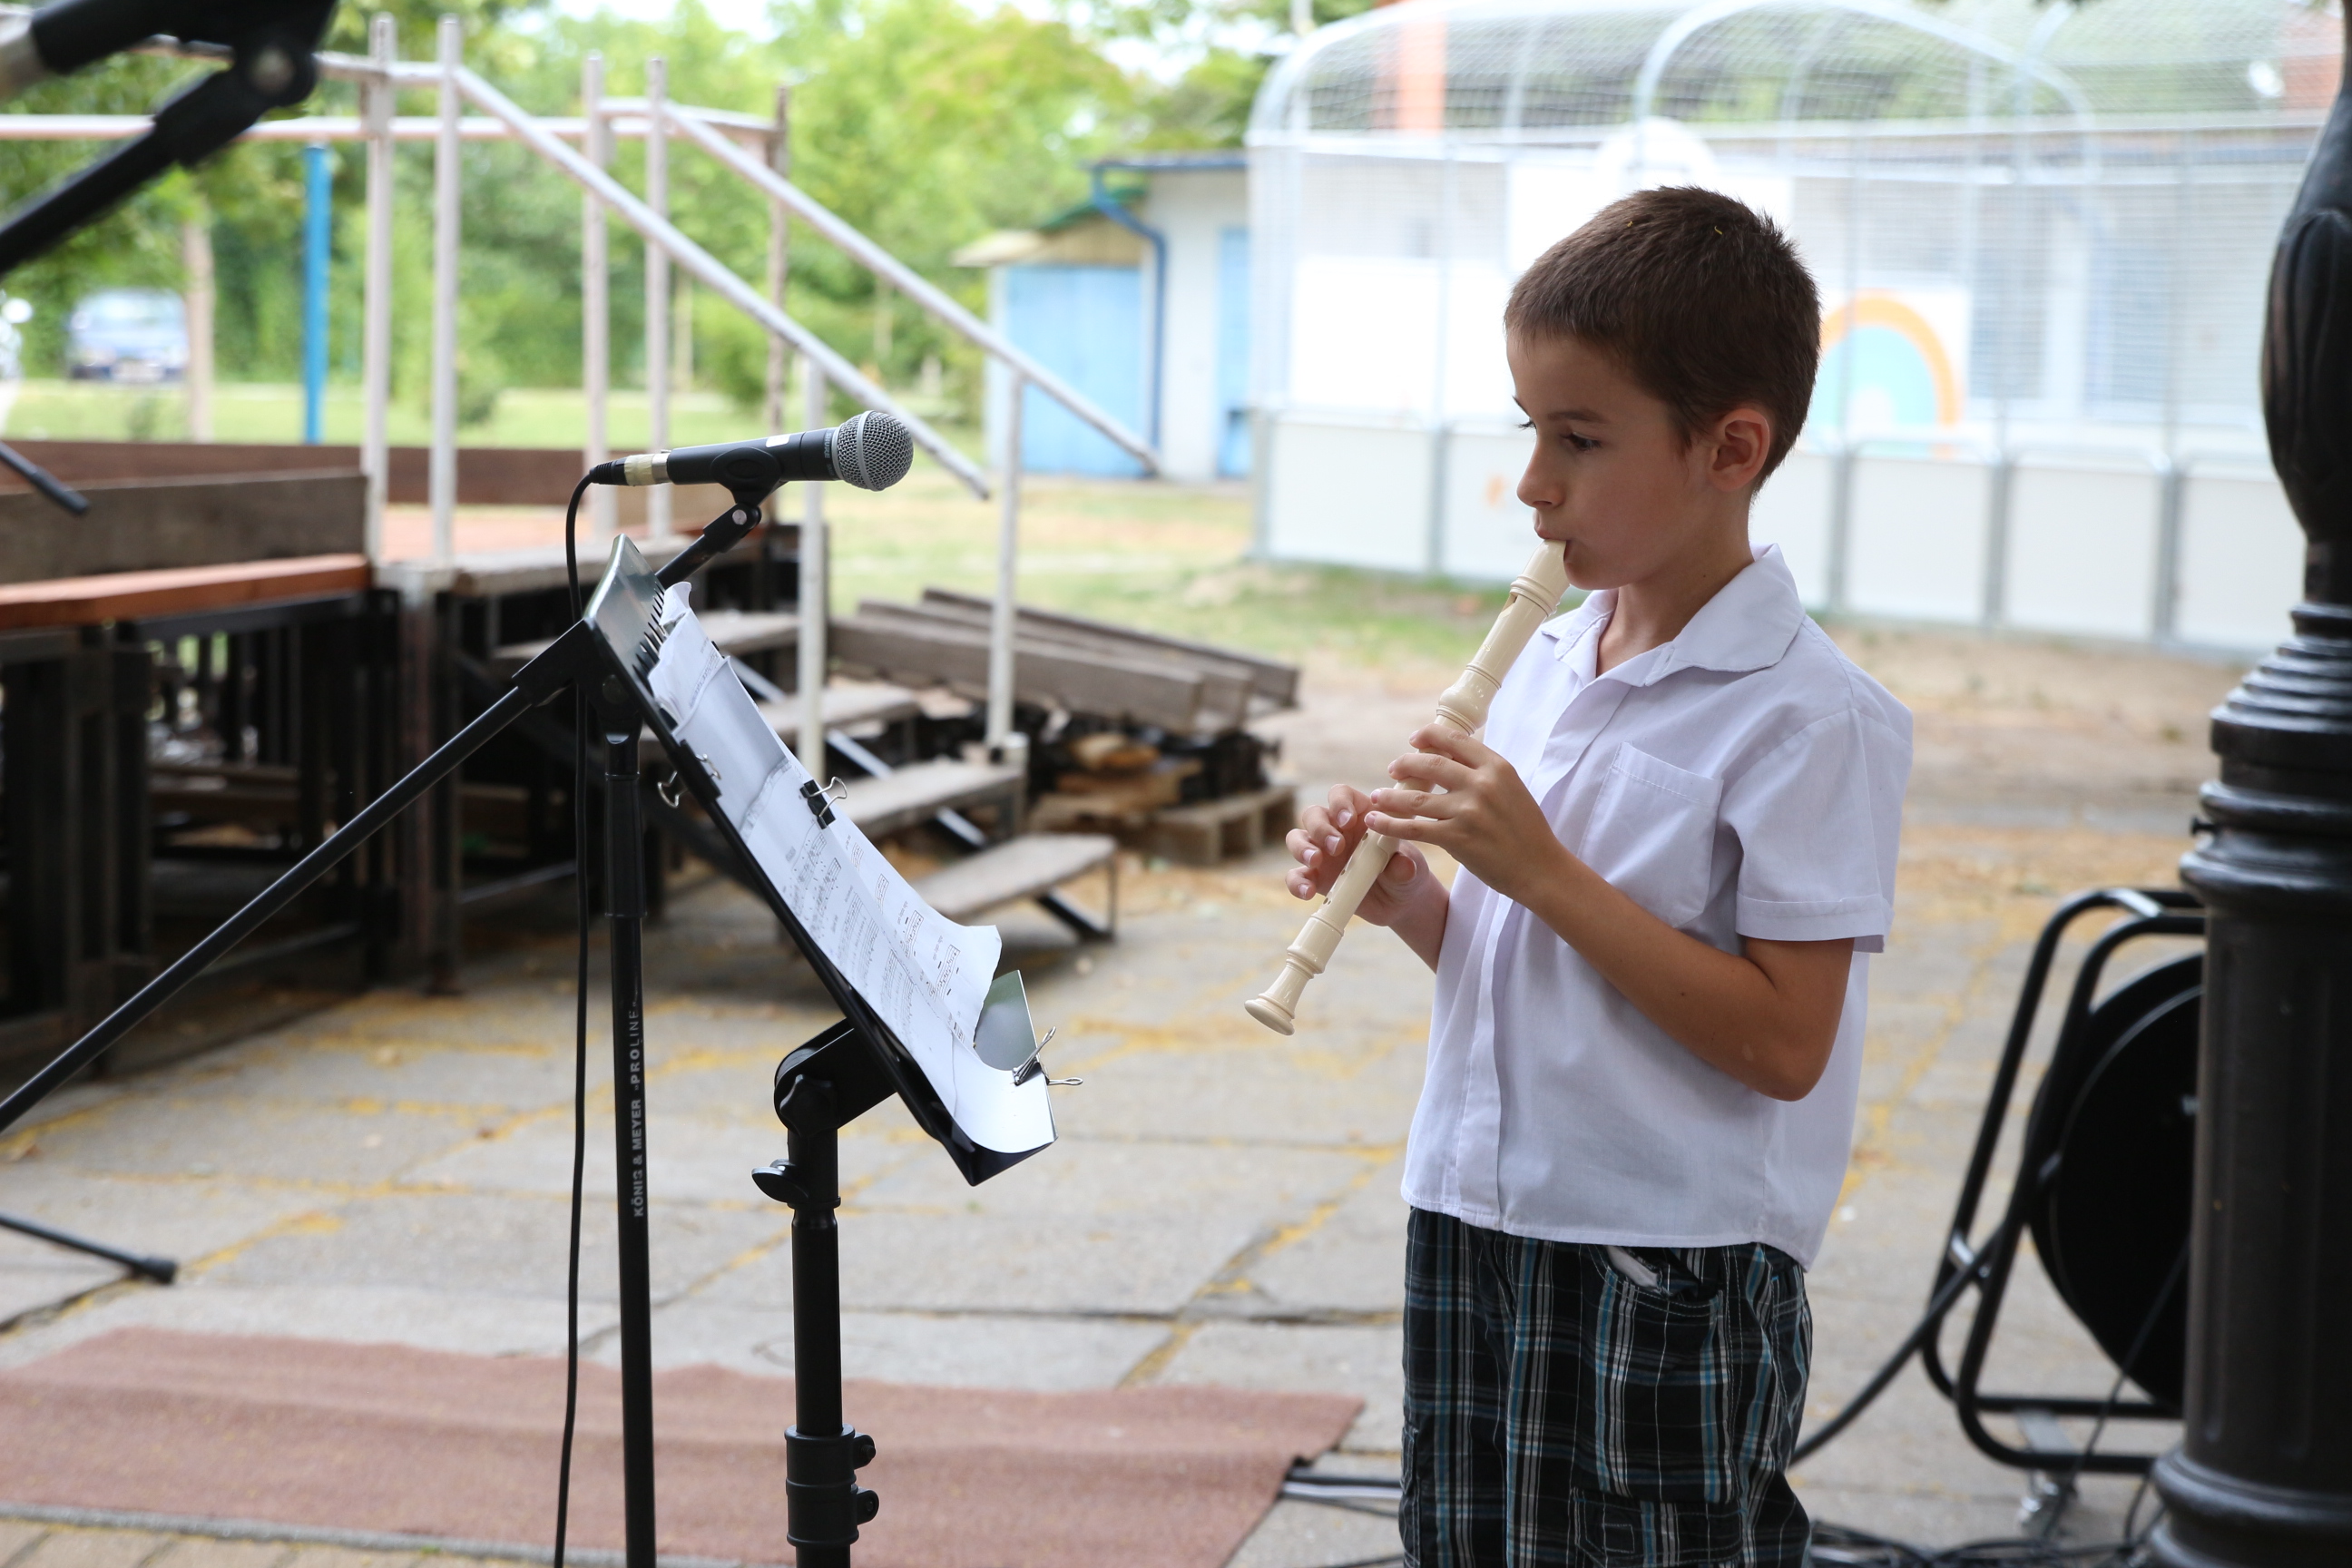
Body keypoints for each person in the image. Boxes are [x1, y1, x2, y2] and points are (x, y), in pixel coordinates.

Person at [1283, 186, 1913, 1567]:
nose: (1533, 483)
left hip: (1664, 1260)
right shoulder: (1551, 659)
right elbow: (1537, 965)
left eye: (1578, 439)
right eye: (1529, 429)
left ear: (1730, 449)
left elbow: (1785, 1044)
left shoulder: (1810, 718)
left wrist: (1543, 871)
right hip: (1475, 1213)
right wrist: (1419, 904)